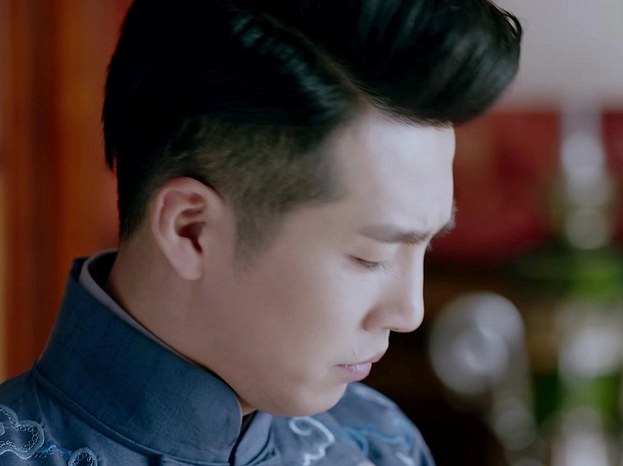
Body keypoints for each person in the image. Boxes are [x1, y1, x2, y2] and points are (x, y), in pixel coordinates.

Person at [0, 0, 521, 464]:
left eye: (426, 245)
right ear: (191, 230)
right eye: (371, 255)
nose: (411, 312)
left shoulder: (382, 443)